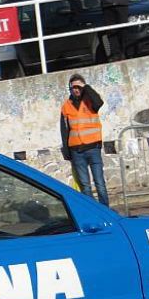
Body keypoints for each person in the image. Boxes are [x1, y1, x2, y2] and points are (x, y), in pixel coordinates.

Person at [60, 74, 109, 206]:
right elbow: (64, 130)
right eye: (73, 87)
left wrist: (86, 87)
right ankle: (92, 211)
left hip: (93, 148)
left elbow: (99, 102)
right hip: (76, 151)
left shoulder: (90, 102)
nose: (76, 90)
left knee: (100, 184)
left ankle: (105, 211)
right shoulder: (66, 106)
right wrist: (67, 152)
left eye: (79, 87)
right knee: (85, 186)